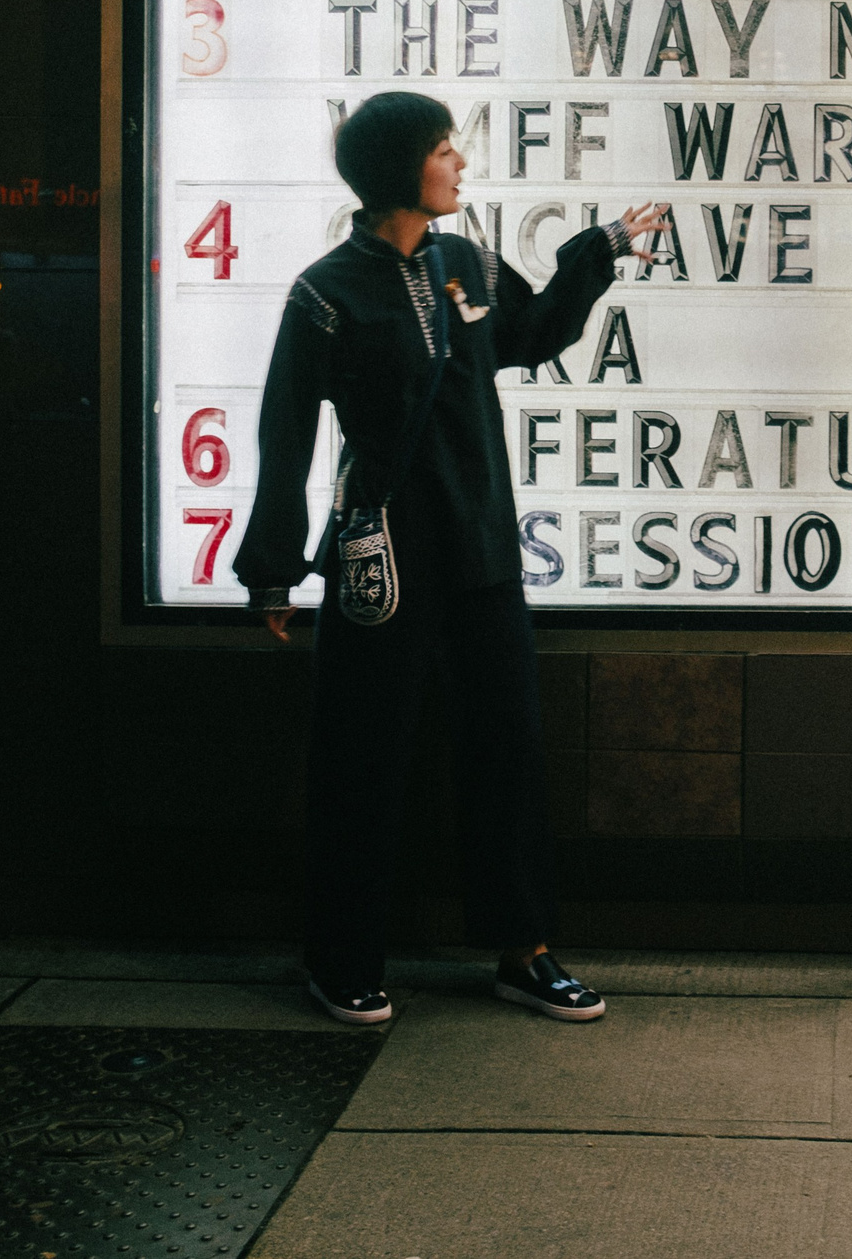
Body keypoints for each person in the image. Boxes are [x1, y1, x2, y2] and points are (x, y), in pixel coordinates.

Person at [234, 89, 667, 1027]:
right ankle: (341, 958)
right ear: (400, 167)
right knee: (362, 757)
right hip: (383, 558)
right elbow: (286, 429)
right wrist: (272, 565)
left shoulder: (466, 262)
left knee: (507, 749)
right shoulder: (324, 293)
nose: (459, 162)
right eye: (442, 148)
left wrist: (601, 250)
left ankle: (525, 951)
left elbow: (533, 334)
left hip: (480, 545)